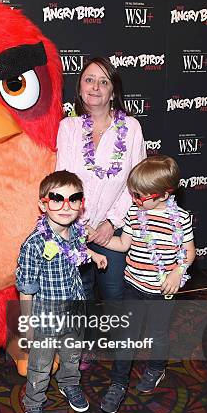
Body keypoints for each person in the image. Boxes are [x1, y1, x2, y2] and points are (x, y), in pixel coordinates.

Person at [99, 155, 196, 413]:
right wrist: (98, 239)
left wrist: (178, 271)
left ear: (165, 194)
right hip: (132, 285)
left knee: (157, 334)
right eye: (133, 194)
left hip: (161, 291)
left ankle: (156, 368)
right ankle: (118, 384)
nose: (135, 200)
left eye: (141, 196)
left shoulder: (181, 219)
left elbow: (189, 251)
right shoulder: (134, 213)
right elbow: (122, 245)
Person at [16, 170, 107, 413]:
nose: (66, 206)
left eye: (73, 199)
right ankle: (33, 404)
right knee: (41, 365)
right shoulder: (34, 244)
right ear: (42, 204)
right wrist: (27, 323)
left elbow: (78, 249)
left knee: (72, 355)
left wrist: (93, 255)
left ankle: (69, 384)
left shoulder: (78, 231)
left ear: (81, 204)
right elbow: (26, 286)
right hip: (46, 316)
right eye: (57, 199)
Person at [56, 56, 146, 303]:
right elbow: (62, 181)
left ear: (113, 92)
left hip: (114, 230)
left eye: (103, 82)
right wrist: (80, 224)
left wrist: (110, 222)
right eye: (89, 80)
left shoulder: (132, 127)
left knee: (114, 296)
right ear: (80, 88)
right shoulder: (68, 127)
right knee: (79, 295)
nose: (95, 87)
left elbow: (136, 183)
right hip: (74, 228)